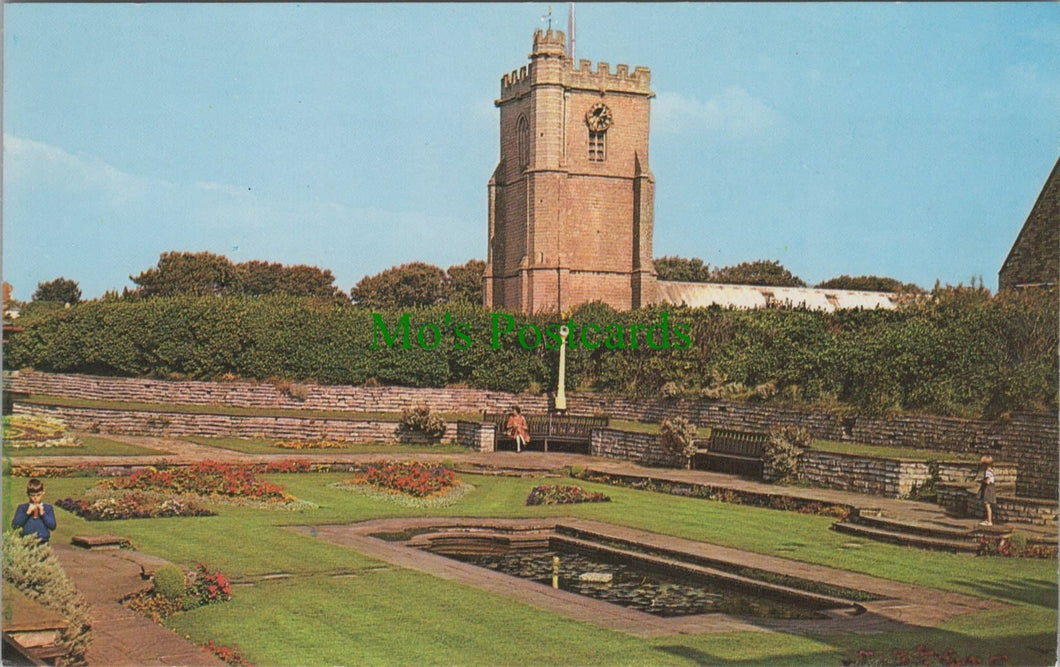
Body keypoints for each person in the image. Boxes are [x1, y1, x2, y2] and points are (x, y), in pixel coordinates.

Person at [12, 478, 57, 544]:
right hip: (26, 541)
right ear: (28, 494)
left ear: (43, 492)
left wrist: (43, 514)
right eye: (32, 495)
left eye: (38, 495)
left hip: (43, 541)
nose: (35, 498)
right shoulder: (23, 508)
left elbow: (52, 526)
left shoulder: (48, 508)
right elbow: (15, 525)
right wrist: (27, 513)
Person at [978, 456, 997, 527]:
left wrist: (982, 481)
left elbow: (988, 482)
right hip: (990, 488)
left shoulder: (987, 472)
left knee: (987, 505)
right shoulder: (991, 470)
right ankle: (988, 519)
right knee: (987, 504)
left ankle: (989, 521)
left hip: (988, 489)